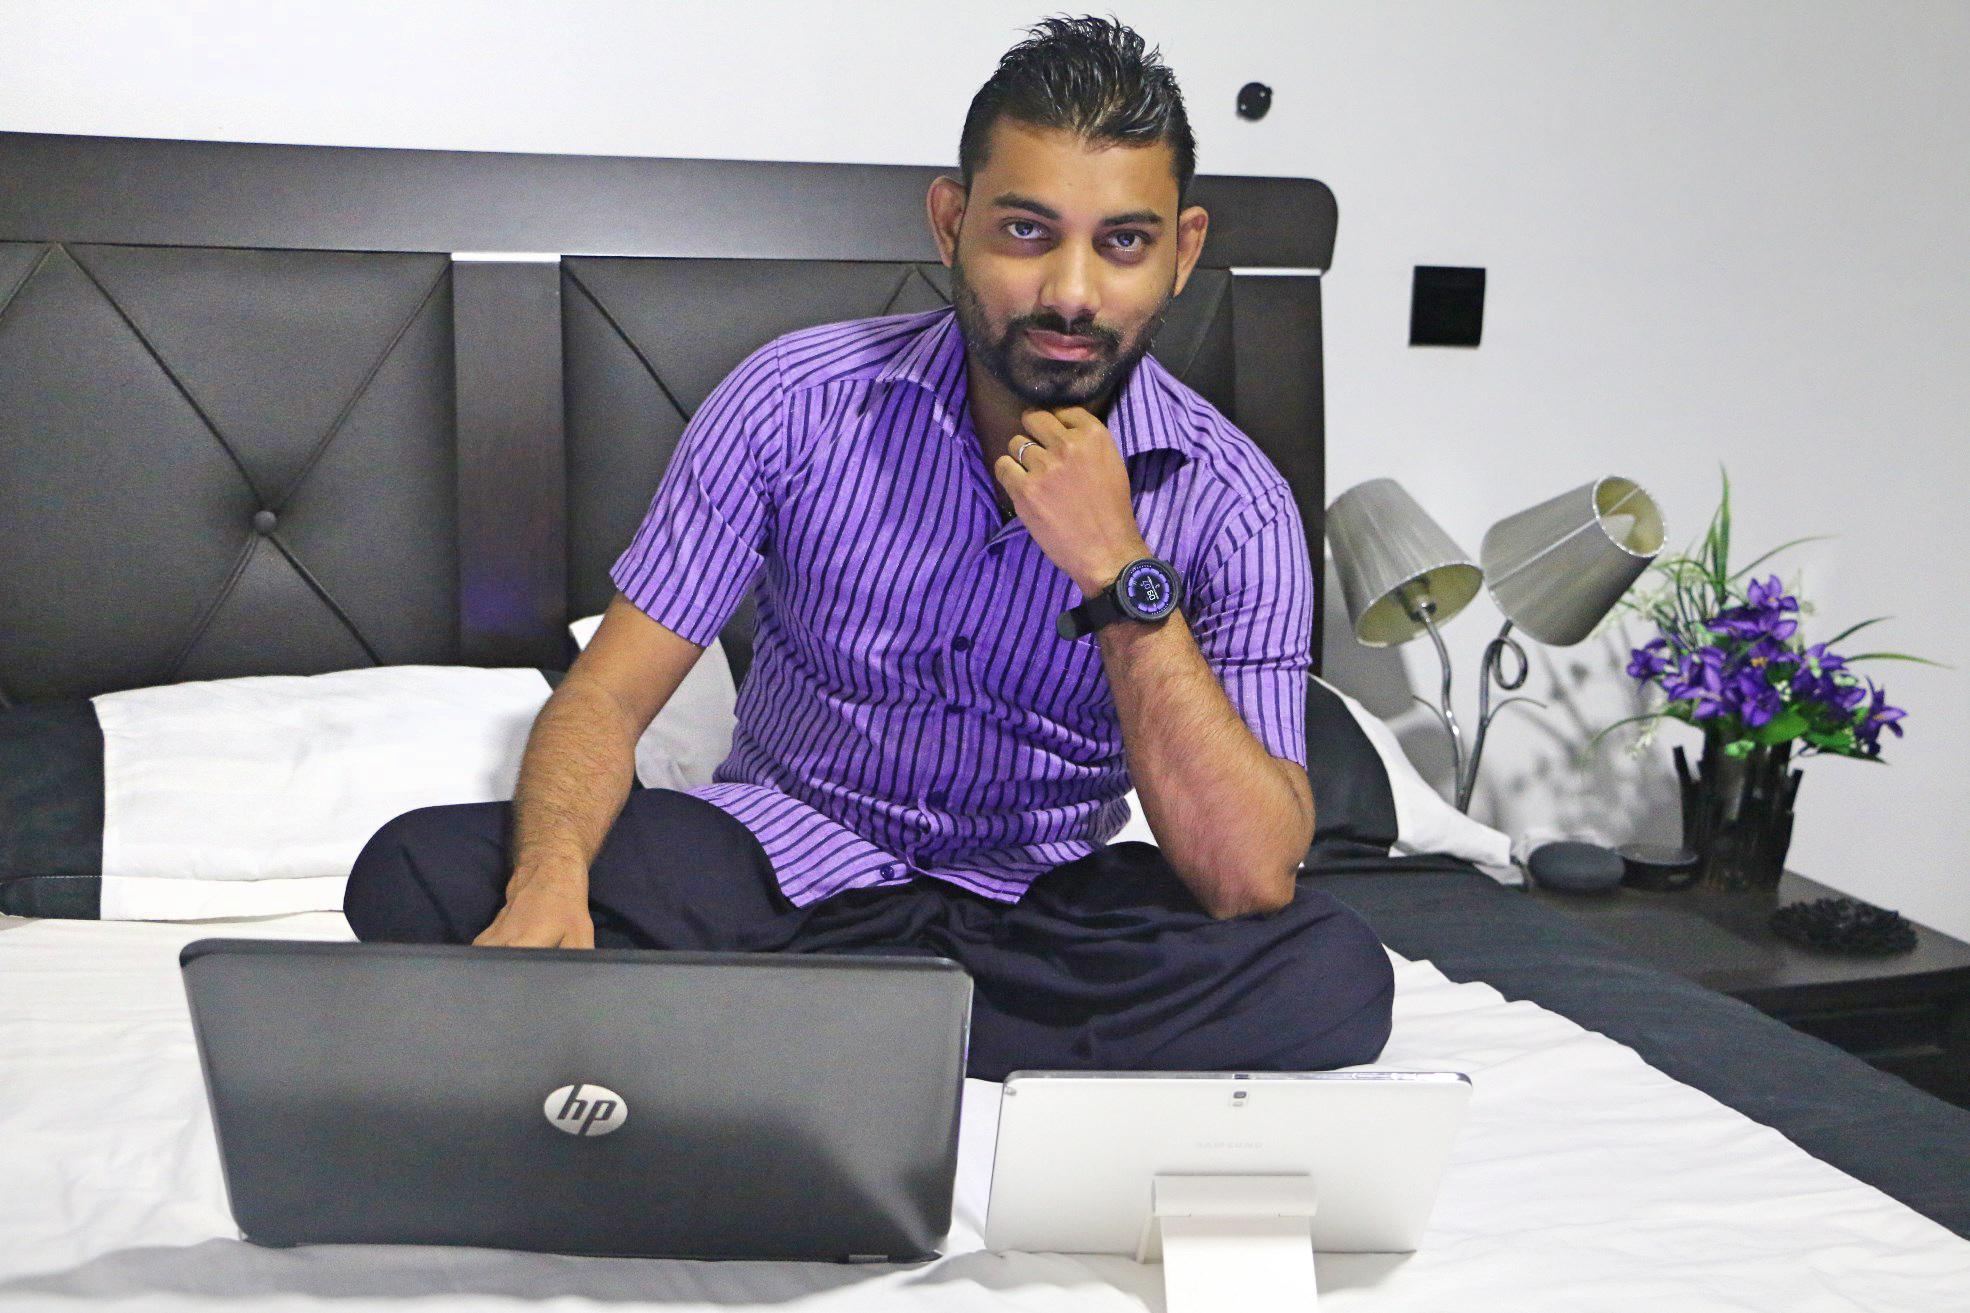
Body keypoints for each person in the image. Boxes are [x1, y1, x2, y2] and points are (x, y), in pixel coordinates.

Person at [344, 14, 1394, 1082]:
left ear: (1183, 251)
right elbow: (607, 699)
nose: (1072, 293)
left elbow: (1248, 873)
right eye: (1026, 231)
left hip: (1035, 908)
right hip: (771, 870)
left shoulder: (1238, 505)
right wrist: (551, 880)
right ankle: (916, 1033)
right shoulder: (793, 403)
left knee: (1332, 974)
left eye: (1122, 242)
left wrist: (1119, 572)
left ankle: (775, 1023)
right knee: (415, 870)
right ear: (951, 222)